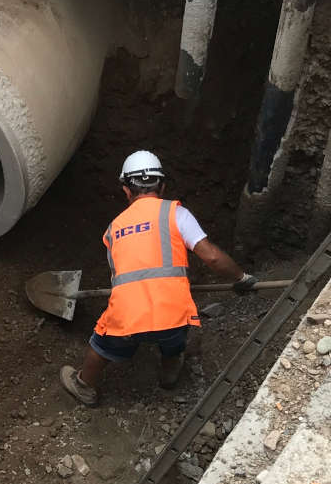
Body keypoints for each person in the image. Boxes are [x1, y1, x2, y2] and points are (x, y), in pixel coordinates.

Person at [59, 150, 256, 406]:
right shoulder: (176, 214)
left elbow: (118, 275)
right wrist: (241, 278)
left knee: (101, 345)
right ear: (161, 186)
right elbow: (213, 258)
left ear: (125, 190)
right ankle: (169, 372)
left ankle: (84, 385)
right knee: (174, 335)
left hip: (128, 316)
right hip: (173, 314)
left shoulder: (113, 229)